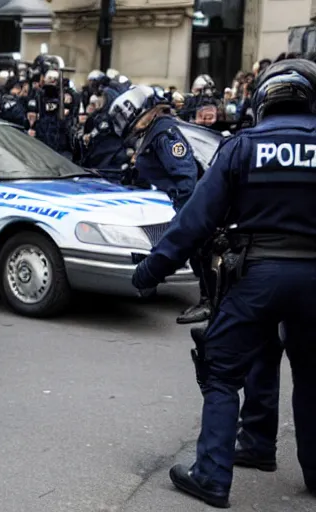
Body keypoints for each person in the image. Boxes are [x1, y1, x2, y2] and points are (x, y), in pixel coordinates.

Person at [131, 58, 316, 507]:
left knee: (221, 370)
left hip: (256, 277)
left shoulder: (243, 146)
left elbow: (195, 219)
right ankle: (294, 464)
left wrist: (150, 271)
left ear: (262, 100)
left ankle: (212, 475)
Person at [109, 85, 211, 324]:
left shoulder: (164, 133)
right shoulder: (156, 132)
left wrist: (186, 216)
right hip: (186, 201)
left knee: (200, 250)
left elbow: (186, 176)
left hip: (192, 201)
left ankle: (210, 302)